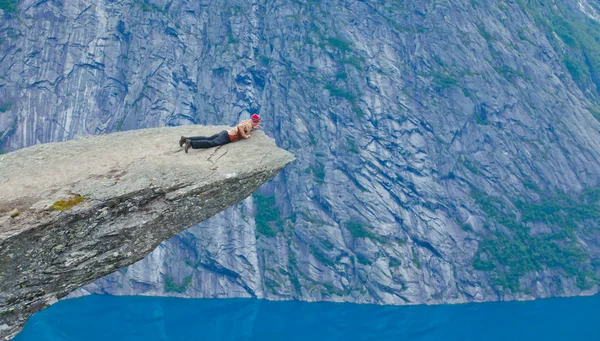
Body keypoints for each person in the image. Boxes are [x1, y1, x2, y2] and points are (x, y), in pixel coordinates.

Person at [179, 114, 261, 153]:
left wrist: (254, 128)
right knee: (210, 143)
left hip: (225, 132)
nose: (258, 123)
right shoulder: (248, 125)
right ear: (255, 121)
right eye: (258, 122)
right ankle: (191, 143)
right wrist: (245, 135)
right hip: (227, 137)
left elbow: (245, 125)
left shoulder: (248, 122)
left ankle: (185, 139)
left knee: (207, 138)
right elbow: (240, 126)